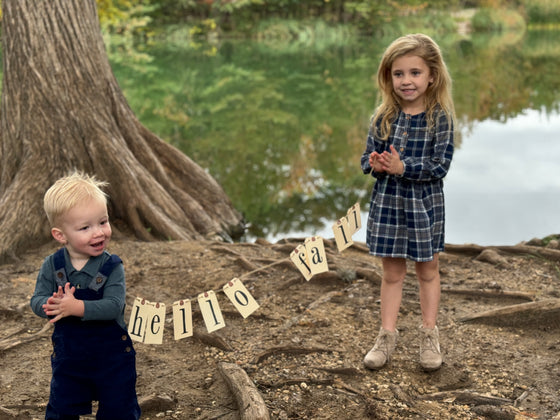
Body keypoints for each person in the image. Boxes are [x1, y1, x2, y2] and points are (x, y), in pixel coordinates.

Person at [360, 33, 455, 371]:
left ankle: (429, 335)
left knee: (428, 270)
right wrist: (375, 162)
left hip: (424, 205)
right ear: (389, 77)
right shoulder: (382, 116)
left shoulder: (439, 118)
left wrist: (403, 167)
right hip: (388, 204)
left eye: (415, 73)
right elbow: (364, 160)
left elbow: (440, 166)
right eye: (398, 73)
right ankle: (386, 335)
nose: (406, 81)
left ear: (432, 75)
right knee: (392, 272)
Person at [30, 172, 141, 419]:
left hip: (111, 357)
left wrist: (75, 307)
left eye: (103, 222)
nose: (99, 232)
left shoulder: (112, 266)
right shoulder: (52, 265)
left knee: (118, 407)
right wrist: (50, 305)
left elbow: (114, 306)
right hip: (70, 358)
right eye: (85, 227)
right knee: (62, 406)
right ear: (61, 235)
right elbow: (36, 299)